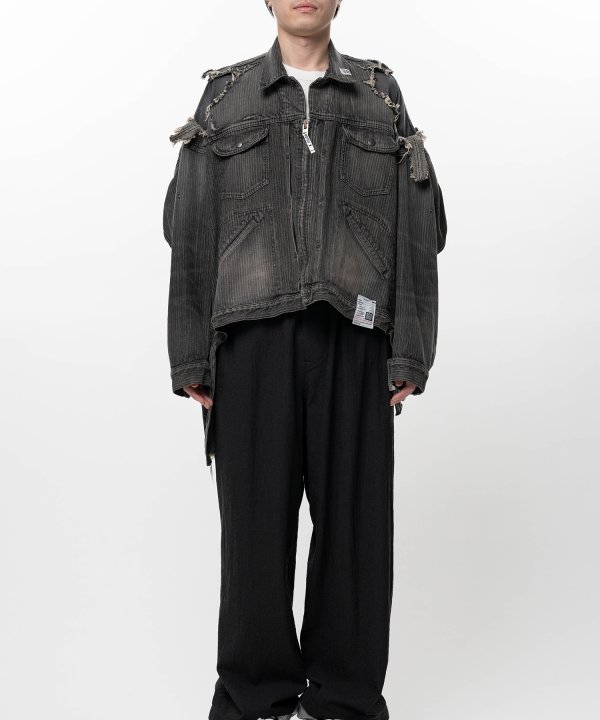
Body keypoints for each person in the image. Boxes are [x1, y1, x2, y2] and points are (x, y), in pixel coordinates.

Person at [162, 2, 447, 719]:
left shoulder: (380, 95)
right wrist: (190, 351)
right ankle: (254, 698)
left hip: (357, 335)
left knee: (356, 533)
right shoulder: (226, 97)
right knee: (254, 533)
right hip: (249, 339)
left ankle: (344, 701)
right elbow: (189, 224)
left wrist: (411, 348)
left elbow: (418, 225)